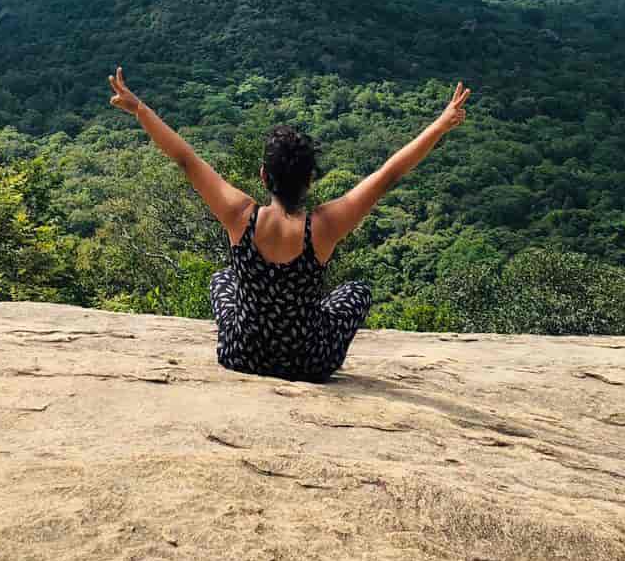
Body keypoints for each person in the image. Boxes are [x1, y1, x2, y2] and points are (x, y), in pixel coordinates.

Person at [108, 67, 470, 381]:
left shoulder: (240, 216)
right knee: (357, 292)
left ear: (264, 176)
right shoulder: (324, 227)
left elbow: (186, 159)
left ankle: (257, 333)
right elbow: (388, 173)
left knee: (221, 279)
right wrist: (440, 124)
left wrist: (139, 109)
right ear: (310, 180)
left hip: (243, 355)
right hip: (309, 360)